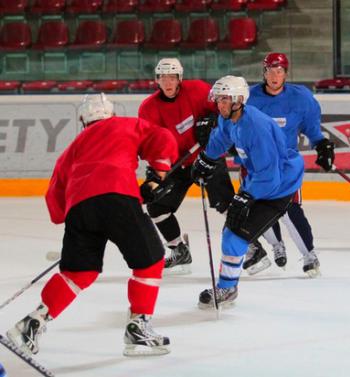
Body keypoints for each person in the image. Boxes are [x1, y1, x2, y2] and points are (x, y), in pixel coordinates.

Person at [6, 94, 178, 357]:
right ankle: (138, 329)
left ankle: (33, 322)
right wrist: (157, 175)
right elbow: (163, 138)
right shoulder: (125, 124)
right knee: (151, 260)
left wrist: (69, 218)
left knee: (78, 272)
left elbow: (54, 195)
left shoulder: (73, 147)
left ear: (83, 120)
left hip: (80, 208)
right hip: (118, 196)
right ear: (110, 113)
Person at [191, 75, 304, 307]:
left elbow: (269, 176)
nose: (219, 105)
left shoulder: (257, 128)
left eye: (225, 100)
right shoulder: (228, 118)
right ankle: (227, 287)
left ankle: (227, 289)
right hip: (259, 182)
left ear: (239, 100)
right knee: (231, 232)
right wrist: (207, 159)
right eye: (218, 100)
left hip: (279, 188)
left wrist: (246, 196)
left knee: (235, 234)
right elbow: (220, 139)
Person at [240, 52, 334, 277]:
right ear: (264, 73)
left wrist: (321, 145)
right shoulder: (248, 97)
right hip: (254, 166)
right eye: (270, 71)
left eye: (279, 71)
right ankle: (275, 246)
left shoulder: (301, 97)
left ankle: (310, 255)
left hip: (285, 166)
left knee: (290, 210)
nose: (275, 76)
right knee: (256, 209)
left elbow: (312, 128)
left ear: (285, 73)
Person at [139, 58, 234, 275]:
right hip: (178, 165)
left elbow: (223, 110)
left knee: (227, 204)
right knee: (157, 207)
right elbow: (151, 144)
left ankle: (251, 249)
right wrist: (157, 170)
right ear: (157, 80)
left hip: (207, 156)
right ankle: (178, 249)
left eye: (172, 77)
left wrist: (213, 122)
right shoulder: (148, 108)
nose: (168, 82)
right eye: (163, 77)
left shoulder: (198, 89)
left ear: (180, 78)